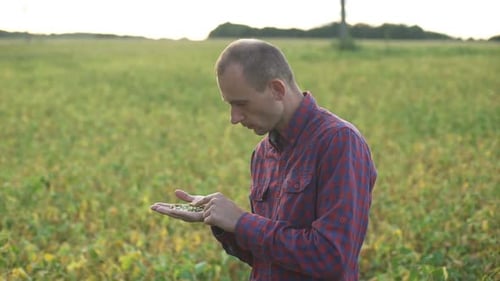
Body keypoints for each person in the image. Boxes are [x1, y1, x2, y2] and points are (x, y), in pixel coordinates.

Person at [150, 38, 377, 281]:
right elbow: (267, 256)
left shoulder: (339, 142)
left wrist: (241, 221)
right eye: (230, 105)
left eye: (241, 104)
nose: (234, 118)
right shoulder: (262, 154)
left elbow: (332, 257)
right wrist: (220, 221)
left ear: (277, 90)